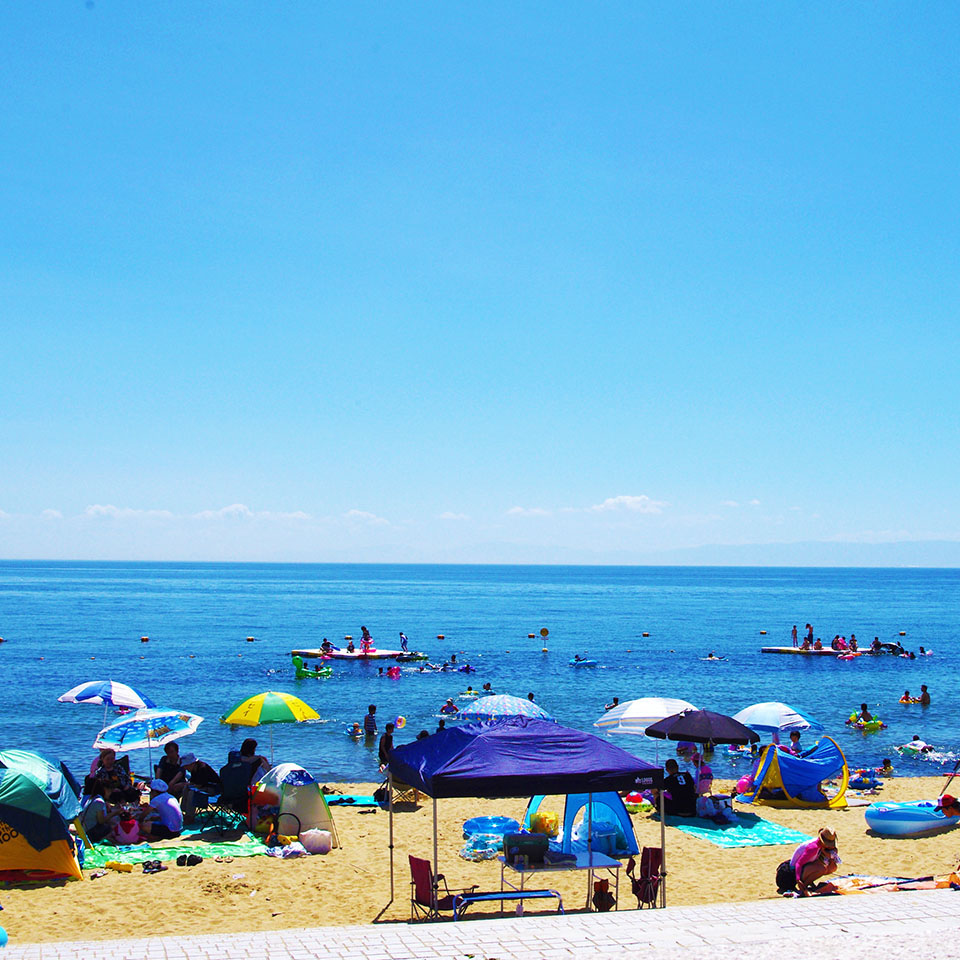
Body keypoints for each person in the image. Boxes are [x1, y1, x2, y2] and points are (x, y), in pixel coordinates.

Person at [789, 828, 839, 896]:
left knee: (831, 867)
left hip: (804, 866)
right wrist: (798, 879)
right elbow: (798, 863)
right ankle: (804, 887)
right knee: (821, 869)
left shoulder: (820, 846)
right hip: (794, 871)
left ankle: (810, 882)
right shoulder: (813, 848)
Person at [179, 752, 222, 823]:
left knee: (192, 793)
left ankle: (190, 816)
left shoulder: (202, 768)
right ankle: (184, 811)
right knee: (186, 789)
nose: (185, 768)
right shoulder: (194, 769)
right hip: (204, 787)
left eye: (186, 766)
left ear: (191, 764)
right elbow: (193, 782)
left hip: (214, 788)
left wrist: (190, 785)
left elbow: (200, 784)